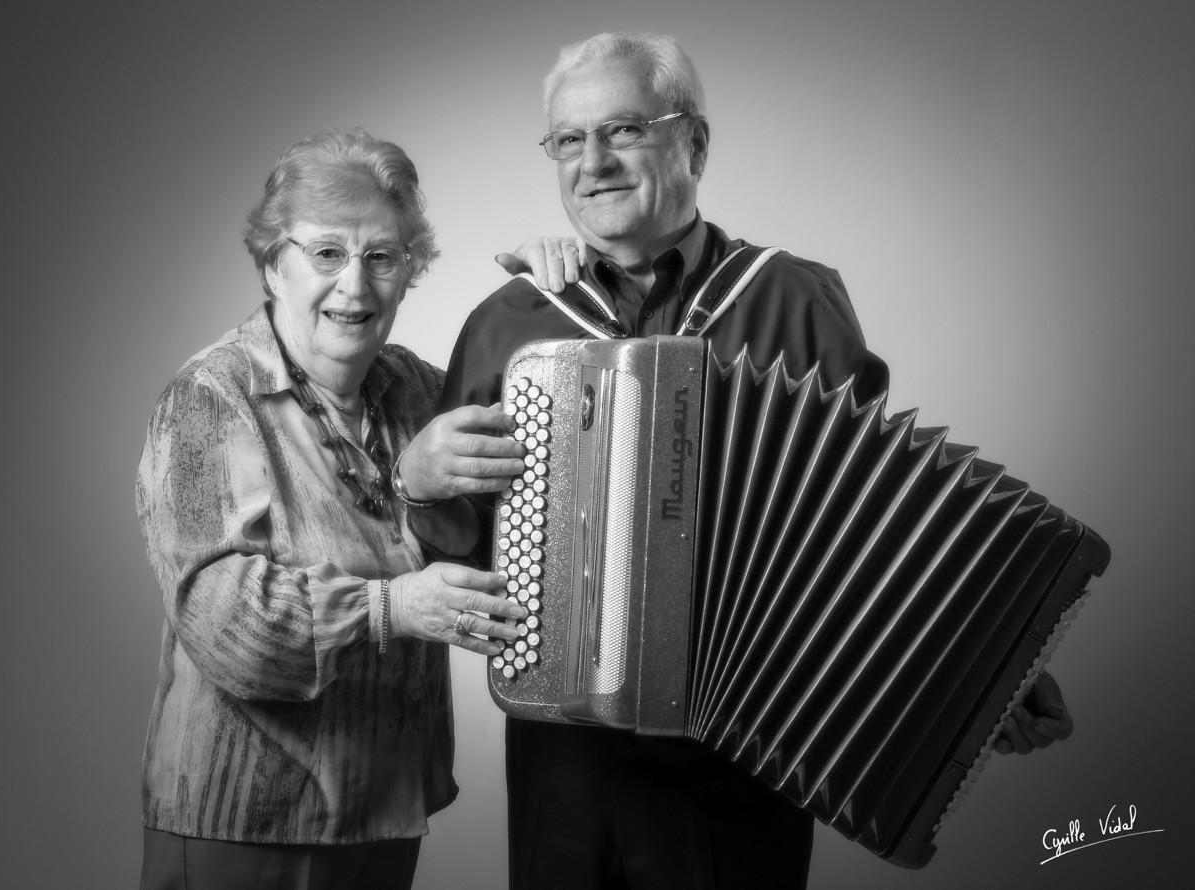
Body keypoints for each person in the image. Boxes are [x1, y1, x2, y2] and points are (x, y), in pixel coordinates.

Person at [442, 32, 1075, 890]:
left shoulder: (794, 295)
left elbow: (870, 521)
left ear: (694, 142)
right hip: (564, 752)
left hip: (747, 747)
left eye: (623, 130)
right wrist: (425, 493)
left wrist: (980, 672)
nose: (591, 163)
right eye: (567, 140)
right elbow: (452, 540)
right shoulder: (510, 319)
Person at [135, 128, 528, 890]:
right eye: (325, 253)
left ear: (409, 272)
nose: (355, 285)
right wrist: (394, 608)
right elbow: (227, 626)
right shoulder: (208, 400)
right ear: (272, 263)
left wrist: (551, 293)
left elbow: (509, 536)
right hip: (244, 826)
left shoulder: (415, 389)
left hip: (383, 814)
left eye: (382, 257)